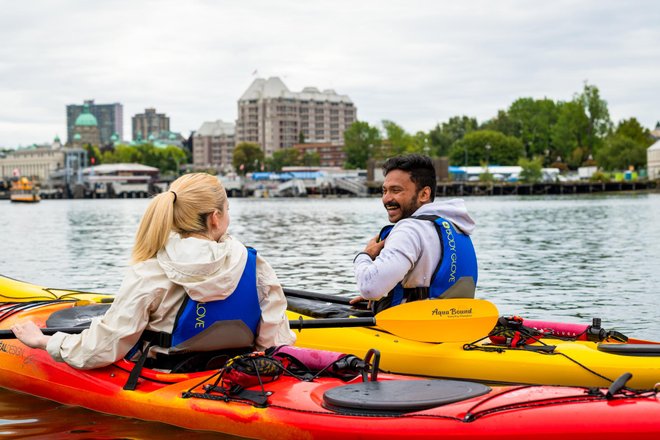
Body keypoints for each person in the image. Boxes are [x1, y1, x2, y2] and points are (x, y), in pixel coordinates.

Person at [11, 173, 296, 371]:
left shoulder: (149, 272)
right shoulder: (255, 264)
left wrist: (45, 341)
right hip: (233, 371)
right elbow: (275, 343)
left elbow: (103, 349)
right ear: (215, 218)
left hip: (168, 374)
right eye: (228, 209)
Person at [351, 154, 478, 313]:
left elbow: (369, 288)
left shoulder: (409, 229)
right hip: (456, 323)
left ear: (424, 194)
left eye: (396, 190)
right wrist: (384, 292)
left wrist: (365, 255)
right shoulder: (456, 225)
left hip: (413, 330)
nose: (387, 199)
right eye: (384, 191)